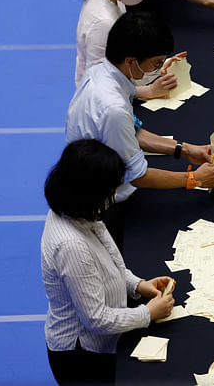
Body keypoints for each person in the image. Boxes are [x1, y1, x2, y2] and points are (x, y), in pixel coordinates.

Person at [66, 11, 214, 243]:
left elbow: (134, 131)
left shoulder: (102, 73)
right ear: (131, 61)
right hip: (102, 204)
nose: (156, 71)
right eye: (155, 64)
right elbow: (138, 176)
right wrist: (195, 179)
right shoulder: (112, 107)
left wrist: (185, 149)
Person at [42, 139, 176, 385]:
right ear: (89, 192)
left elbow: (110, 265)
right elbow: (96, 319)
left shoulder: (77, 211)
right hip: (82, 358)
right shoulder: (71, 246)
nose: (113, 195)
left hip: (100, 344)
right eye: (110, 189)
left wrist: (138, 285)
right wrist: (147, 313)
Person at [72, 0, 185, 101]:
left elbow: (120, 67)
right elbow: (99, 83)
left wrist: (155, 67)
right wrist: (148, 91)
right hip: (100, 103)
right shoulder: (103, 22)